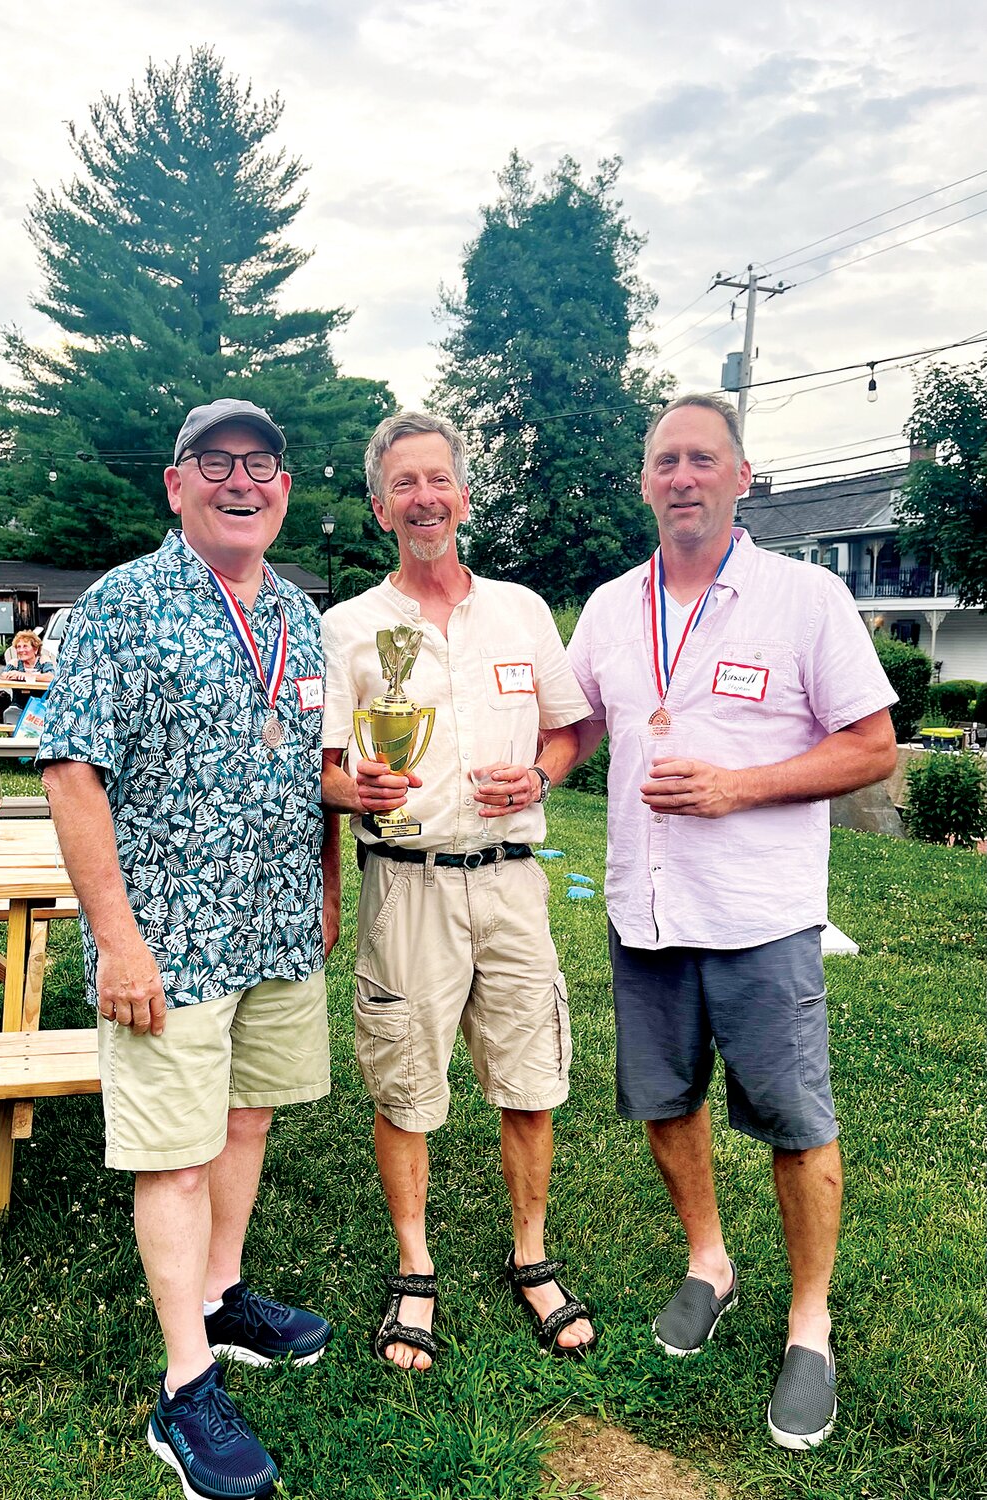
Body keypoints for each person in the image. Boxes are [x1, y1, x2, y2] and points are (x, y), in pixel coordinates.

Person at [567, 395, 898, 1451]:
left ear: (740, 477)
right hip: (645, 909)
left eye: (700, 458)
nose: (680, 477)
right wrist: (510, 769)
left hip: (760, 917)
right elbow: (572, 723)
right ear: (643, 482)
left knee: (794, 1124)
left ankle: (810, 1320)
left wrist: (738, 787)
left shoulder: (805, 599)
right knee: (665, 1105)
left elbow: (871, 747)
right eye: (662, 459)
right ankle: (707, 1261)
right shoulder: (612, 606)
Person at [37, 398, 337, 1500]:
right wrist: (116, 941)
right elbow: (72, 772)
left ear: (284, 490)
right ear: (176, 484)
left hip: (272, 925)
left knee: (245, 1119)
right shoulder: (121, 603)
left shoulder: (301, 616)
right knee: (173, 1151)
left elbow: (298, 760)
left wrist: (325, 883)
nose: (240, 481)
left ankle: (223, 1293)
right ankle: (185, 1383)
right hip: (164, 936)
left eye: (261, 464)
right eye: (216, 464)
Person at [321, 411, 597, 1372]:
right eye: (405, 483)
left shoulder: (520, 610)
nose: (425, 498)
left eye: (439, 480)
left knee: (531, 1076)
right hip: (407, 885)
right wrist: (355, 787)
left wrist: (545, 775)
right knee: (405, 1083)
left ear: (463, 497)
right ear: (380, 505)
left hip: (513, 881)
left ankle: (531, 1254)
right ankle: (414, 1266)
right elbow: (321, 769)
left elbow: (571, 727)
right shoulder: (348, 629)